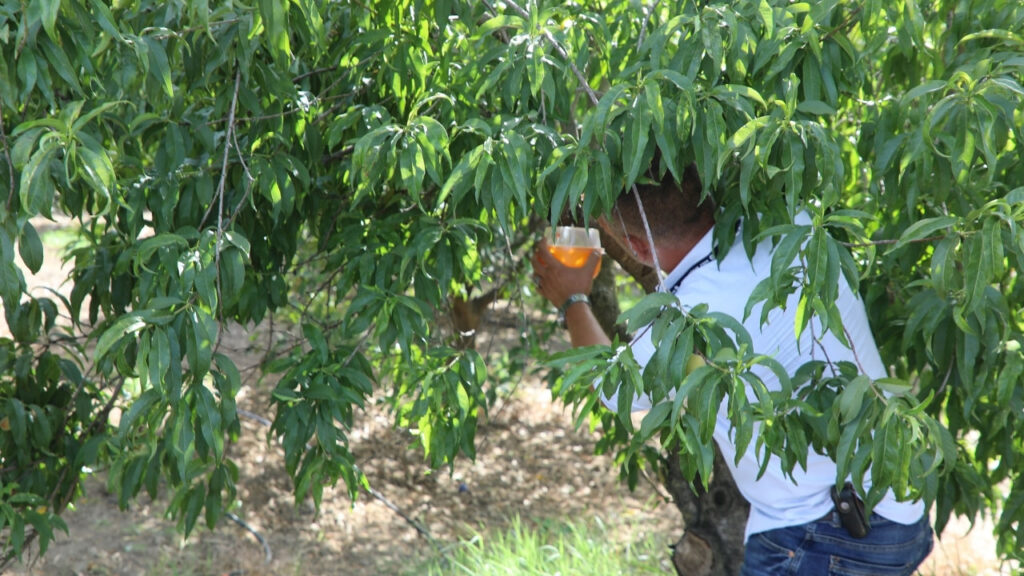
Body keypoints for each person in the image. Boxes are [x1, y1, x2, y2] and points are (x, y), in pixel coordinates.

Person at [530, 163, 934, 575]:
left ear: (637, 248)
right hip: (902, 504)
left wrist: (572, 299)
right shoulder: (791, 220)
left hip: (823, 539)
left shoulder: (689, 321)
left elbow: (611, 386)